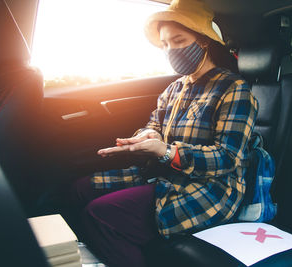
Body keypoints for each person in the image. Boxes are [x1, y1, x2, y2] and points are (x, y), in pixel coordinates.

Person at [70, 0, 258, 266]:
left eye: (179, 40)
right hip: (163, 176)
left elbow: (227, 158)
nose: (171, 50)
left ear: (204, 41)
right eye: (165, 44)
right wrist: (148, 136)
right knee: (79, 190)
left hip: (210, 189)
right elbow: (154, 126)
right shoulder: (173, 89)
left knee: (99, 216)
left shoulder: (234, 89)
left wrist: (167, 151)